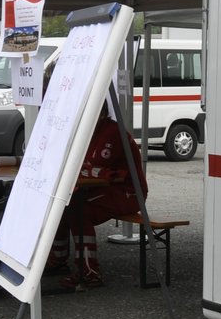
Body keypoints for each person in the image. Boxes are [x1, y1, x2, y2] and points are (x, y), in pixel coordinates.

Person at [54, 102, 149, 290]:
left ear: (100, 112)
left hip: (128, 192)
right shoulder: (90, 131)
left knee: (77, 209)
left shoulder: (111, 133)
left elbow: (94, 165)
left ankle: (89, 273)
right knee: (63, 206)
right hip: (107, 188)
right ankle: (56, 261)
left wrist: (82, 168)